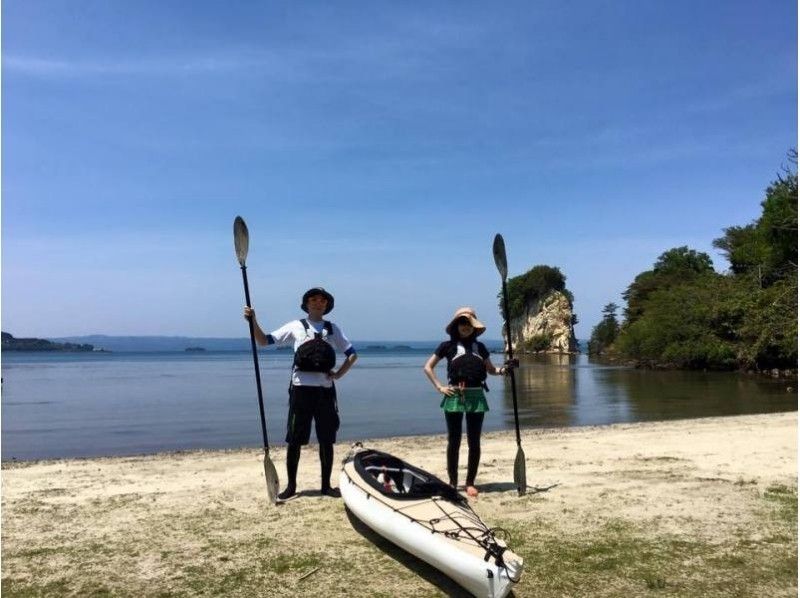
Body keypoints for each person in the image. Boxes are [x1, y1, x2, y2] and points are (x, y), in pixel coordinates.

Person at [244, 287, 357, 500]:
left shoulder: (333, 329)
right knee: (295, 439)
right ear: (306, 304)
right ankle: (291, 487)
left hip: (324, 392)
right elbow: (263, 340)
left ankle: (326, 486)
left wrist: (338, 375)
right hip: (300, 390)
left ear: (326, 305)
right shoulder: (295, 326)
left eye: (322, 300)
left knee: (327, 439)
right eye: (313, 299)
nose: (317, 303)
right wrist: (253, 321)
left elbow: (352, 354)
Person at [423, 307, 514, 498]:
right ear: (456, 325)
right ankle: (452, 482)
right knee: (453, 441)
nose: (465, 327)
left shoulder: (480, 348)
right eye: (462, 323)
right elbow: (428, 367)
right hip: (454, 395)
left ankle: (470, 482)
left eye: (469, 323)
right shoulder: (446, 346)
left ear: (474, 327)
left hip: (476, 395)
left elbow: (490, 370)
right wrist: (440, 387)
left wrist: (505, 370)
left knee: (474, 441)